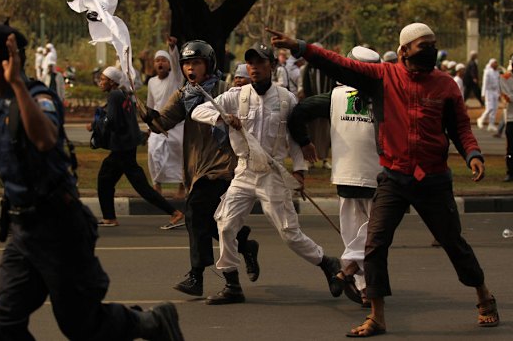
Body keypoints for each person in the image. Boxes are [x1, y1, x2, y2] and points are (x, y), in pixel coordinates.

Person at [0, 23, 183, 340]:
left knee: (81, 325)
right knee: (5, 320)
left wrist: (18, 87)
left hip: (58, 229)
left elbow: (44, 139)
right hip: (23, 230)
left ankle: (152, 323)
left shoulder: (38, 98)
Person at [269, 23, 499, 336]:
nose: (430, 50)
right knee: (375, 245)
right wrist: (300, 47)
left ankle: (483, 294)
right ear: (403, 50)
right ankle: (377, 316)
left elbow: (460, 128)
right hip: (394, 176)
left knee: (453, 243)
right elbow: (339, 62)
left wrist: (473, 155)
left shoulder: (446, 85)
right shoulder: (383, 77)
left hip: (433, 179)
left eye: (433, 44)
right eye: (423, 46)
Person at [191, 43, 342, 305]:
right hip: (244, 170)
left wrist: (299, 171)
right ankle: (232, 284)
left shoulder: (286, 98)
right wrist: (224, 117)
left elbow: (294, 139)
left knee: (289, 233)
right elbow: (197, 111)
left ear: (272, 66)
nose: (254, 68)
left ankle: (326, 263)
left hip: (272, 173)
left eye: (260, 63)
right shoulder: (235, 95)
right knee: (225, 224)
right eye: (250, 63)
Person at [140, 40, 260, 298]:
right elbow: (161, 124)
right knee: (211, 221)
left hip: (223, 163)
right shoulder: (184, 95)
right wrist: (146, 114)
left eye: (196, 63)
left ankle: (197, 275)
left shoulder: (225, 90)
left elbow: (251, 115)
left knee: (194, 212)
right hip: (197, 165)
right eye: (186, 64)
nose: (190, 68)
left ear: (208, 65)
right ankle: (246, 245)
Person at [288, 46, 383, 308]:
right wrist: (305, 142)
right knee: (372, 236)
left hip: (351, 176)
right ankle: (361, 283)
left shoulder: (335, 96)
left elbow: (299, 111)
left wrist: (305, 141)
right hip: (375, 177)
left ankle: (349, 273)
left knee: (362, 235)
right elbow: (298, 113)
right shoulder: (383, 94)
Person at [88, 66, 185, 230]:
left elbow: (112, 120)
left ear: (112, 82)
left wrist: (95, 125)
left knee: (140, 187)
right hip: (125, 147)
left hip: (122, 149)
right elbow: (127, 120)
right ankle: (109, 217)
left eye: (103, 79)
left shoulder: (114, 96)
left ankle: (175, 212)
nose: (100, 82)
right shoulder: (123, 94)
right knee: (106, 180)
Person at [146, 36, 186, 200]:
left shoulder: (176, 78)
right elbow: (150, 104)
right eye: (157, 61)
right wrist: (148, 127)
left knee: (179, 154)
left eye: (164, 60)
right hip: (157, 125)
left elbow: (178, 64)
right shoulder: (151, 82)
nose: (160, 63)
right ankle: (157, 185)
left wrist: (172, 49)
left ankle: (182, 186)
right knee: (153, 152)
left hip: (176, 125)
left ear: (169, 64)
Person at [299, 43, 334, 170]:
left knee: (325, 133)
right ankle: (310, 160)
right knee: (311, 132)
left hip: (325, 104)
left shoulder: (328, 67)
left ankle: (324, 159)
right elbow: (302, 86)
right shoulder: (306, 68)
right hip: (311, 105)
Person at [477, 58, 501, 132]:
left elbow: (498, 83)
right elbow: (485, 83)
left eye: (496, 63)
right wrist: (483, 94)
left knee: (495, 108)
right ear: (491, 64)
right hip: (488, 92)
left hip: (495, 92)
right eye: (495, 63)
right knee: (489, 108)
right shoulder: (487, 72)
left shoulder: (497, 72)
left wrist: (499, 93)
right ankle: (481, 119)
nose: (496, 64)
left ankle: (491, 124)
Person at [499, 62, 513, 181]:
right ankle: (510, 172)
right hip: (511, 118)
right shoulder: (505, 78)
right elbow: (508, 97)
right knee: (511, 149)